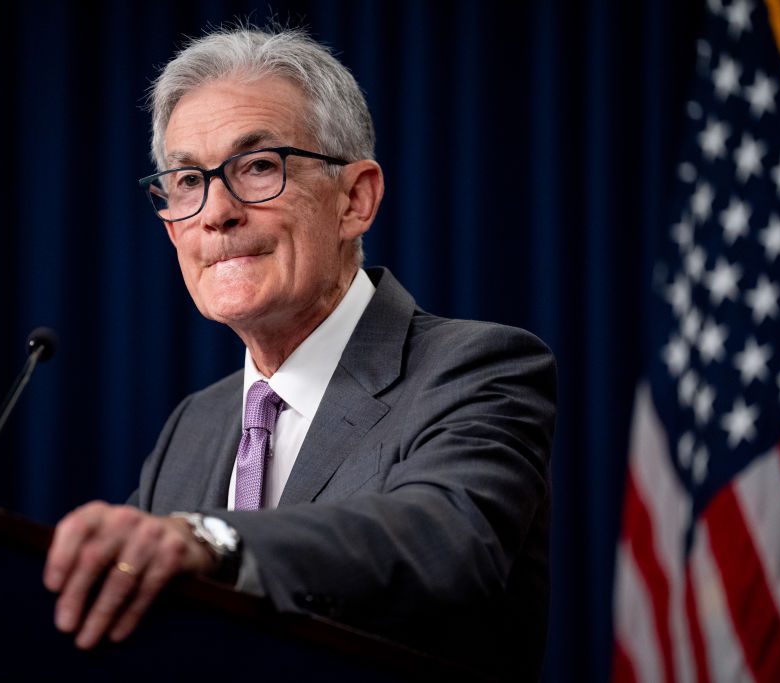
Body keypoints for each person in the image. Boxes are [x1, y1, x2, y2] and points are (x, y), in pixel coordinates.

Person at [43, 25, 556, 681]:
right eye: (186, 179)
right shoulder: (193, 427)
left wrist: (212, 539)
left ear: (354, 199)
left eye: (257, 167)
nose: (214, 213)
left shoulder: (478, 368)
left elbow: (444, 541)